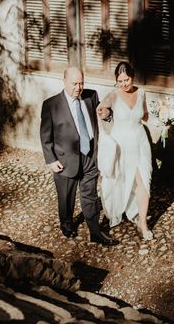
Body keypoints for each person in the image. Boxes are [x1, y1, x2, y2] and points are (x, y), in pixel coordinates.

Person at [40, 67, 119, 246]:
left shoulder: (91, 96)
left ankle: (95, 231)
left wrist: (107, 115)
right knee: (66, 196)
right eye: (74, 84)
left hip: (89, 155)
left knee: (89, 194)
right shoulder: (51, 105)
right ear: (65, 82)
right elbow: (45, 136)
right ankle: (66, 222)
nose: (79, 87)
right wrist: (51, 160)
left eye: (81, 83)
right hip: (65, 159)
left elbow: (103, 116)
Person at [96, 62, 153, 241]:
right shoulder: (113, 96)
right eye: (120, 81)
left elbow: (145, 115)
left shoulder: (141, 93)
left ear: (132, 77)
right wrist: (104, 113)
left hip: (141, 143)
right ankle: (120, 210)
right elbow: (102, 111)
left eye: (126, 79)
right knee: (120, 180)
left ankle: (142, 223)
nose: (124, 84)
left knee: (144, 180)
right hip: (122, 144)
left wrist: (164, 116)